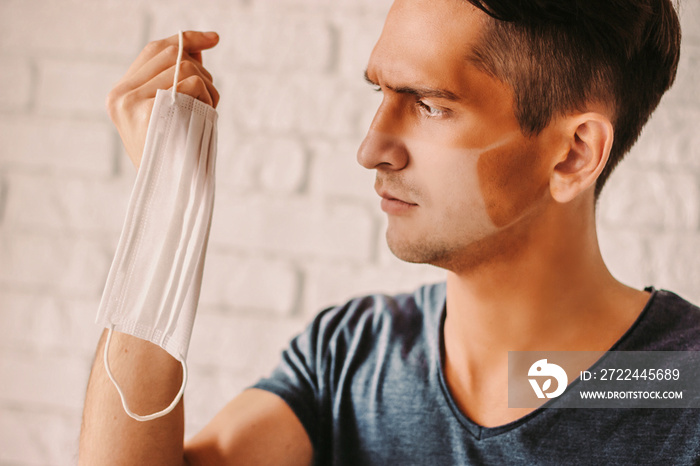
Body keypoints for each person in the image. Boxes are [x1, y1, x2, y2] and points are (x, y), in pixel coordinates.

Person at [79, 0, 700, 464]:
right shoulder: (351, 358)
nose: (372, 147)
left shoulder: (680, 387)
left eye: (430, 104)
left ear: (571, 155)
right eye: (381, 92)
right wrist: (166, 204)